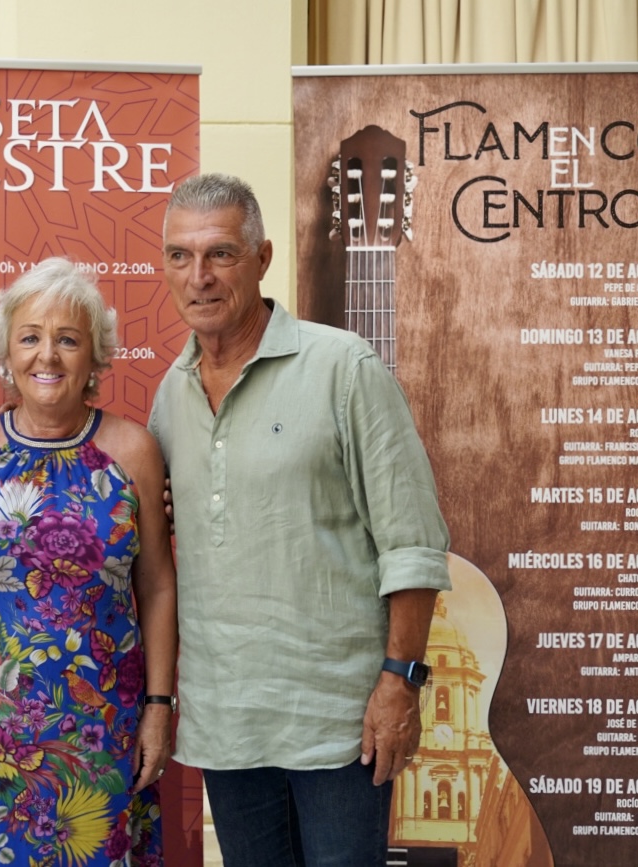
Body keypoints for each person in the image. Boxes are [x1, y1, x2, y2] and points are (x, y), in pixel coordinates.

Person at [148, 174, 451, 867]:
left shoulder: (343, 367)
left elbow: (411, 541)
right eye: (179, 255)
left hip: (338, 721)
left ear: (262, 257)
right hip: (227, 720)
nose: (198, 276)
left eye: (220, 254)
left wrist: (399, 681)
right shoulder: (171, 393)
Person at [0, 257, 177, 867]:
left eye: (68, 340)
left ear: (95, 356)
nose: (47, 355)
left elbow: (159, 588)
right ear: (6, 352)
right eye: (29, 337)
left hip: (102, 737)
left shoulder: (134, 451)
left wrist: (159, 709)